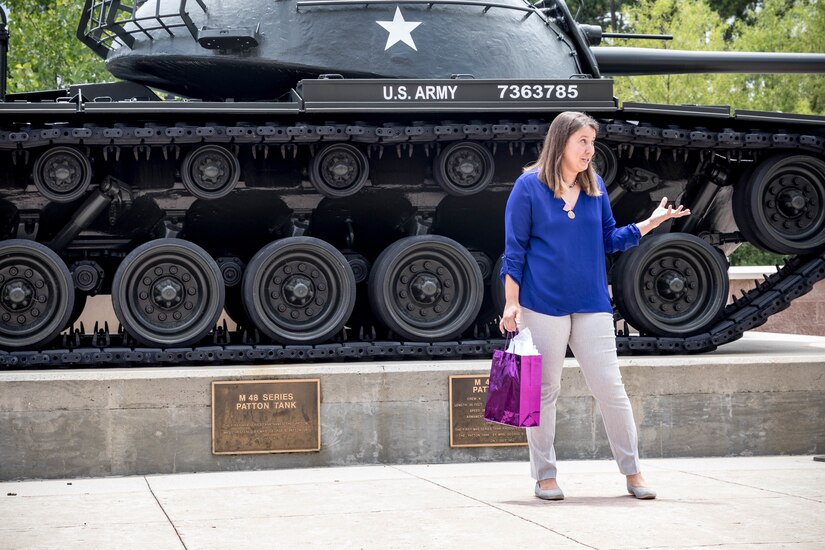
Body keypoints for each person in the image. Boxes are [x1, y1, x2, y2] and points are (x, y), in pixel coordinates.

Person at [498, 111, 690, 501]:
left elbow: (608, 239)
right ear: (561, 143)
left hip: (591, 303)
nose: (590, 149)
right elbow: (514, 252)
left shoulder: (595, 186)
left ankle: (633, 472)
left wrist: (648, 224)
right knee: (543, 391)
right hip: (542, 304)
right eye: (582, 141)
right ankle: (545, 476)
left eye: (592, 141)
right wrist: (511, 304)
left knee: (610, 387)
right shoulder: (528, 187)